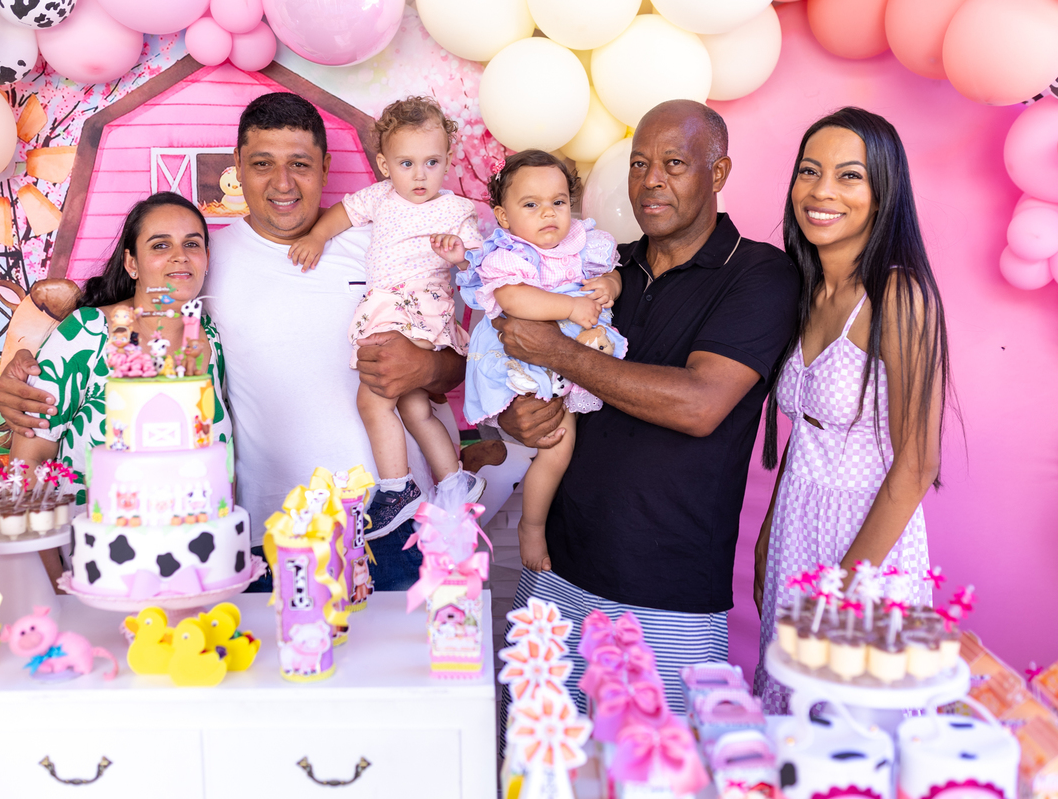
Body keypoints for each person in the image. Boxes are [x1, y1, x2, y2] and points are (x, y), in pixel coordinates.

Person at [0, 93, 467, 589]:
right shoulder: (202, 258)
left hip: (400, 521)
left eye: (300, 164)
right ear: (237, 167)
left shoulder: (381, 243)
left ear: (326, 167)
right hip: (270, 532)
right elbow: (125, 315)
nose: (282, 183)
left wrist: (427, 368)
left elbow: (455, 360)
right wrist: (25, 370)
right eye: (262, 164)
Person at [493, 100, 800, 712]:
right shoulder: (601, 267)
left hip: (668, 596)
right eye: (639, 164)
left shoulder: (759, 274)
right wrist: (516, 417)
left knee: (655, 762)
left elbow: (700, 404)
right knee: (533, 757)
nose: (651, 180)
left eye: (674, 163)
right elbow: (518, 368)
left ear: (718, 172)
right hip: (552, 571)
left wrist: (559, 352)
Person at [752, 107, 950, 712]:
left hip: (867, 544)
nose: (822, 191)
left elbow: (917, 465)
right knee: (791, 724)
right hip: (796, 526)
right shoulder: (804, 289)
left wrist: (841, 592)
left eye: (849, 176)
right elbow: (805, 433)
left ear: (883, 192)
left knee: (852, 726)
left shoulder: (897, 295)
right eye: (809, 171)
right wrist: (767, 537)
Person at [6, 192, 230, 582]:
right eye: (160, 245)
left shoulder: (211, 338)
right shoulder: (86, 334)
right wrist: (55, 584)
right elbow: (28, 464)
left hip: (197, 573)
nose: (180, 256)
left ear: (207, 258)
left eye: (192, 244)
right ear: (132, 263)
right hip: (95, 575)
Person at [287, 96, 486, 527]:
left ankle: (397, 489)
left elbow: (479, 266)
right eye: (406, 164)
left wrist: (460, 257)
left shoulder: (455, 210)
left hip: (420, 308)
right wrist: (318, 237)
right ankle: (454, 481)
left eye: (432, 162)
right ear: (384, 165)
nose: (420, 175)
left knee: (373, 399)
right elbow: (341, 214)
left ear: (448, 160)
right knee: (413, 407)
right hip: (389, 307)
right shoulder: (380, 197)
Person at [448, 150, 624, 572]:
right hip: (520, 358)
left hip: (572, 352)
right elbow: (512, 299)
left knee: (562, 443)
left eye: (558, 202)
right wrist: (569, 306)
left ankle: (532, 521)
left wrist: (609, 285)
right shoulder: (507, 253)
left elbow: (613, 273)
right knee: (550, 440)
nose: (548, 213)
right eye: (531, 204)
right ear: (503, 216)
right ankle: (530, 524)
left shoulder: (584, 243)